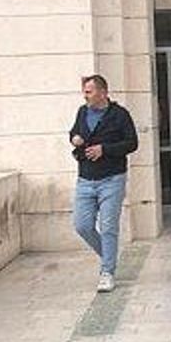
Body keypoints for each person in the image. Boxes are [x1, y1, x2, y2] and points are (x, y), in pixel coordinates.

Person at [69, 74, 138, 292]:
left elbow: (132, 143)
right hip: (85, 178)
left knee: (108, 227)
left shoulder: (119, 115)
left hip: (112, 178)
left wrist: (104, 149)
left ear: (103, 92)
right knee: (82, 225)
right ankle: (110, 256)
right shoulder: (82, 112)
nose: (85, 95)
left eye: (89, 92)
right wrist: (74, 138)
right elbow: (74, 132)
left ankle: (107, 271)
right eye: (84, 91)